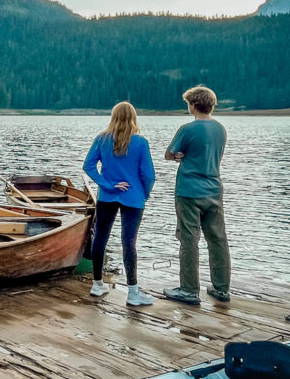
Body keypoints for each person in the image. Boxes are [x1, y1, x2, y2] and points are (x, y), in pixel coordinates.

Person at [83, 101, 156, 306]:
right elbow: (148, 175)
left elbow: (88, 166)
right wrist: (144, 194)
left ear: (113, 116)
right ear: (133, 117)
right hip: (133, 197)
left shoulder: (102, 139)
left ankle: (97, 284)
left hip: (107, 196)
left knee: (100, 238)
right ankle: (133, 293)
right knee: (129, 242)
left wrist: (107, 184)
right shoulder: (141, 143)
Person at [163, 85, 231, 306]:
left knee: (189, 239)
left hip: (189, 191)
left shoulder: (187, 129)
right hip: (214, 189)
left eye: (188, 104)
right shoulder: (220, 129)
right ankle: (221, 289)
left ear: (193, 105)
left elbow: (169, 154)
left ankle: (189, 290)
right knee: (218, 239)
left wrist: (177, 156)